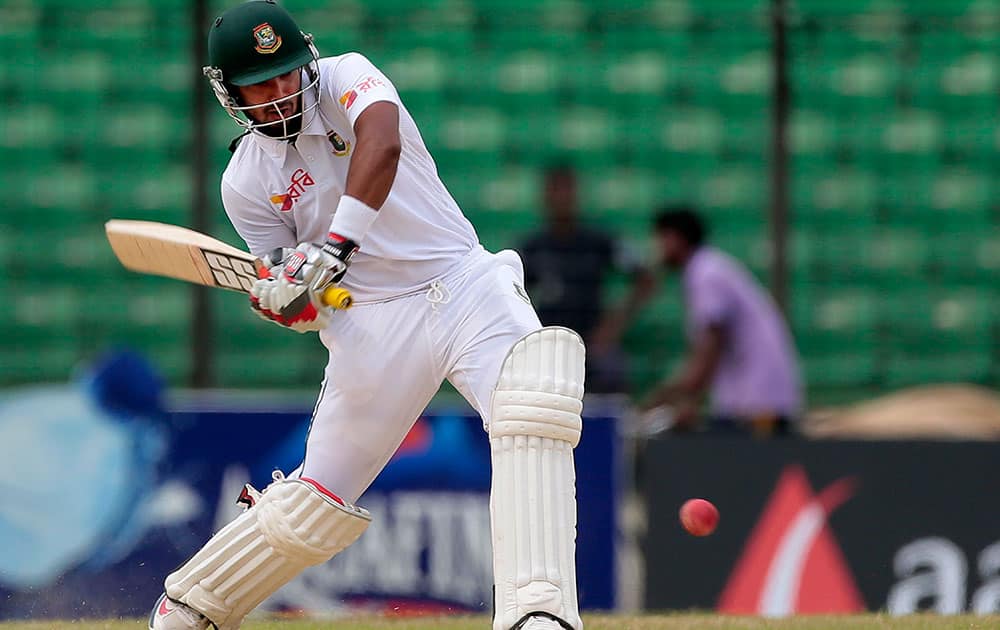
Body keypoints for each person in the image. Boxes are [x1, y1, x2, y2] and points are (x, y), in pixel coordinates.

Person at [149, 3, 585, 630]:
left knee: (534, 405)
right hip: (370, 320)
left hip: (463, 283)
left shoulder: (350, 76)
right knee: (313, 504)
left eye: (287, 74)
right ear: (229, 93)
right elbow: (315, 301)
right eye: (259, 84)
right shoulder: (244, 182)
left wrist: (332, 250)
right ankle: (191, 607)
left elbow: (380, 146)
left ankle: (537, 614)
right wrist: (294, 301)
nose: (280, 93)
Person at [595, 206, 802, 435]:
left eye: (659, 239)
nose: (657, 249)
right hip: (755, 399)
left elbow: (708, 354)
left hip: (759, 404)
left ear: (674, 239)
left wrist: (663, 400)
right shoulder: (708, 268)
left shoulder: (705, 274)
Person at [518, 164, 637, 393]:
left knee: (610, 377)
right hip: (550, 345)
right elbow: (513, 292)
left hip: (593, 343)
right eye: (556, 191)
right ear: (545, 197)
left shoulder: (599, 242)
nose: (562, 198)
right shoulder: (534, 247)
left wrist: (612, 327)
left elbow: (644, 278)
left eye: (567, 190)